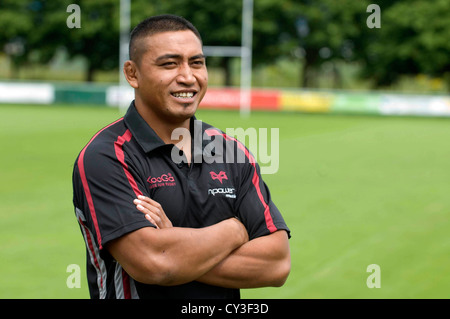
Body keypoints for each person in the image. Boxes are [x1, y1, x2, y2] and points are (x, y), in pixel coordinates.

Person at [72, 14, 291, 299]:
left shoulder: (231, 151)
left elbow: (276, 264)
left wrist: (176, 244)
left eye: (197, 63)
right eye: (169, 64)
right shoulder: (107, 156)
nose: (188, 77)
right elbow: (155, 263)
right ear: (132, 73)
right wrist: (234, 231)